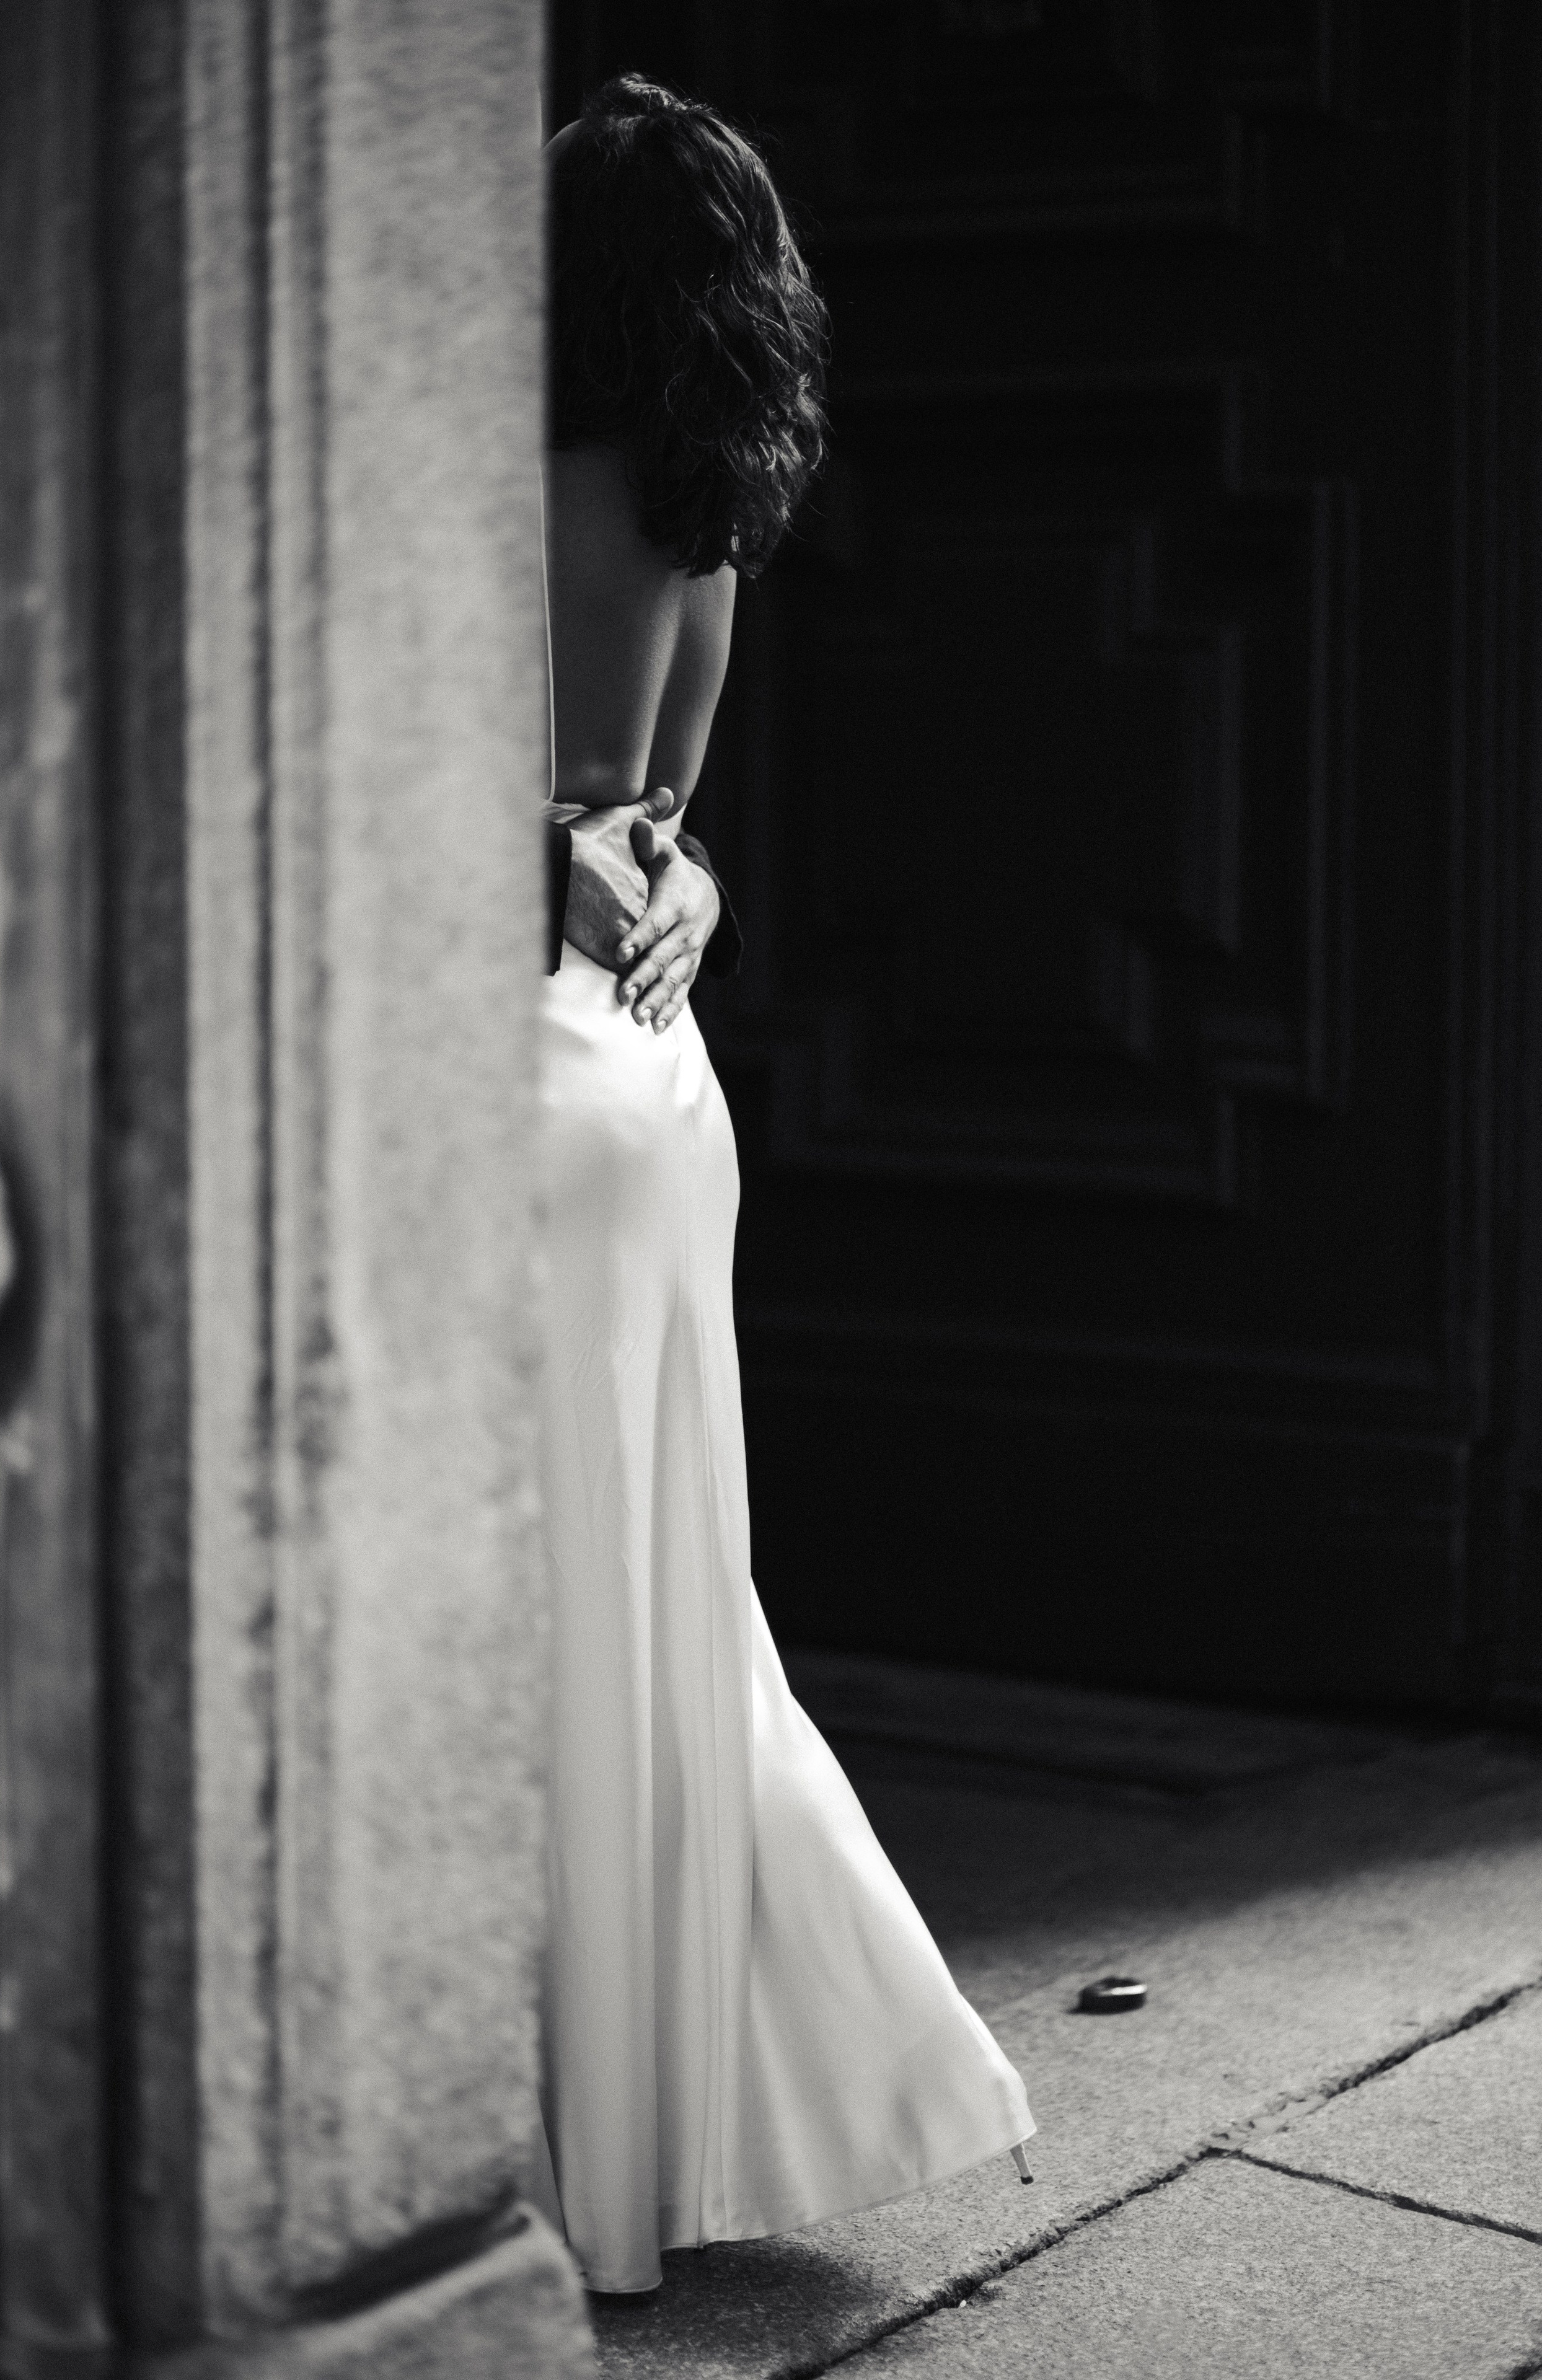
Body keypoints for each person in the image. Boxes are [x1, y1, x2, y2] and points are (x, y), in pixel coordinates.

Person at [534, 75, 1036, 2297]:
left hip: (517, 1076)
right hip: (661, 1087)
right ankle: (654, 2144)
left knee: (538, 1611)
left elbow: (476, 819)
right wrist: (691, 897)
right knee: (664, 1614)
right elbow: (657, 838)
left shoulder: (472, 486)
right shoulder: (705, 523)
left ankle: (535, 2143)